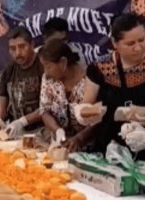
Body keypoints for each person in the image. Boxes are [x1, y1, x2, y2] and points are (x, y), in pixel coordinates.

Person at [76, 13, 145, 160]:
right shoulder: (100, 68)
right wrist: (83, 112)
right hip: (109, 150)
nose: (138, 48)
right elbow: (87, 104)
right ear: (114, 43)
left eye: (142, 40)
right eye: (130, 44)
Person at [0, 26, 43, 139]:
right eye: (13, 48)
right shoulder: (8, 70)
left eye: (22, 46)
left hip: (42, 130)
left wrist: (23, 121)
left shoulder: (43, 66)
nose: (18, 53)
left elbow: (48, 106)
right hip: (16, 130)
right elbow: (2, 96)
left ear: (32, 45)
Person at [38, 39, 87, 152]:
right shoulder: (49, 79)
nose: (46, 71)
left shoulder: (90, 79)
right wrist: (58, 130)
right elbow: (44, 111)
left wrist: (79, 138)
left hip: (88, 150)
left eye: (48, 66)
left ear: (63, 62)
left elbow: (97, 119)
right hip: (58, 147)